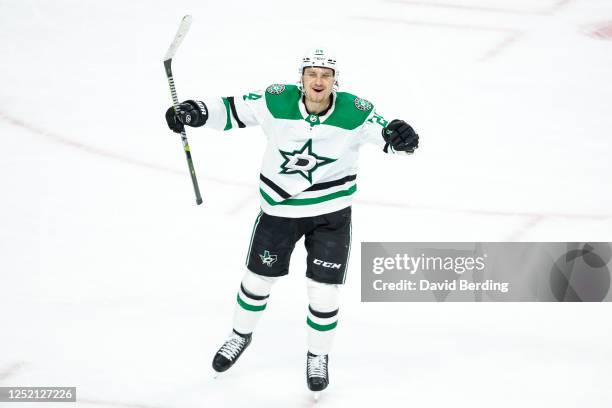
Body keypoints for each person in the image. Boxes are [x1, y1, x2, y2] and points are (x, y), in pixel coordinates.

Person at [165, 48, 419, 394]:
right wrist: (195, 111)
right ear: (300, 79)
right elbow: (231, 109)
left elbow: (390, 137)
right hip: (279, 212)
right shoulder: (276, 100)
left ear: (335, 81)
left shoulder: (356, 111)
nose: (318, 81)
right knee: (257, 281)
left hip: (330, 215)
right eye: (311, 74)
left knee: (324, 292)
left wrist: (403, 137)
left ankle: (318, 357)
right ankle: (239, 336)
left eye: (325, 75)